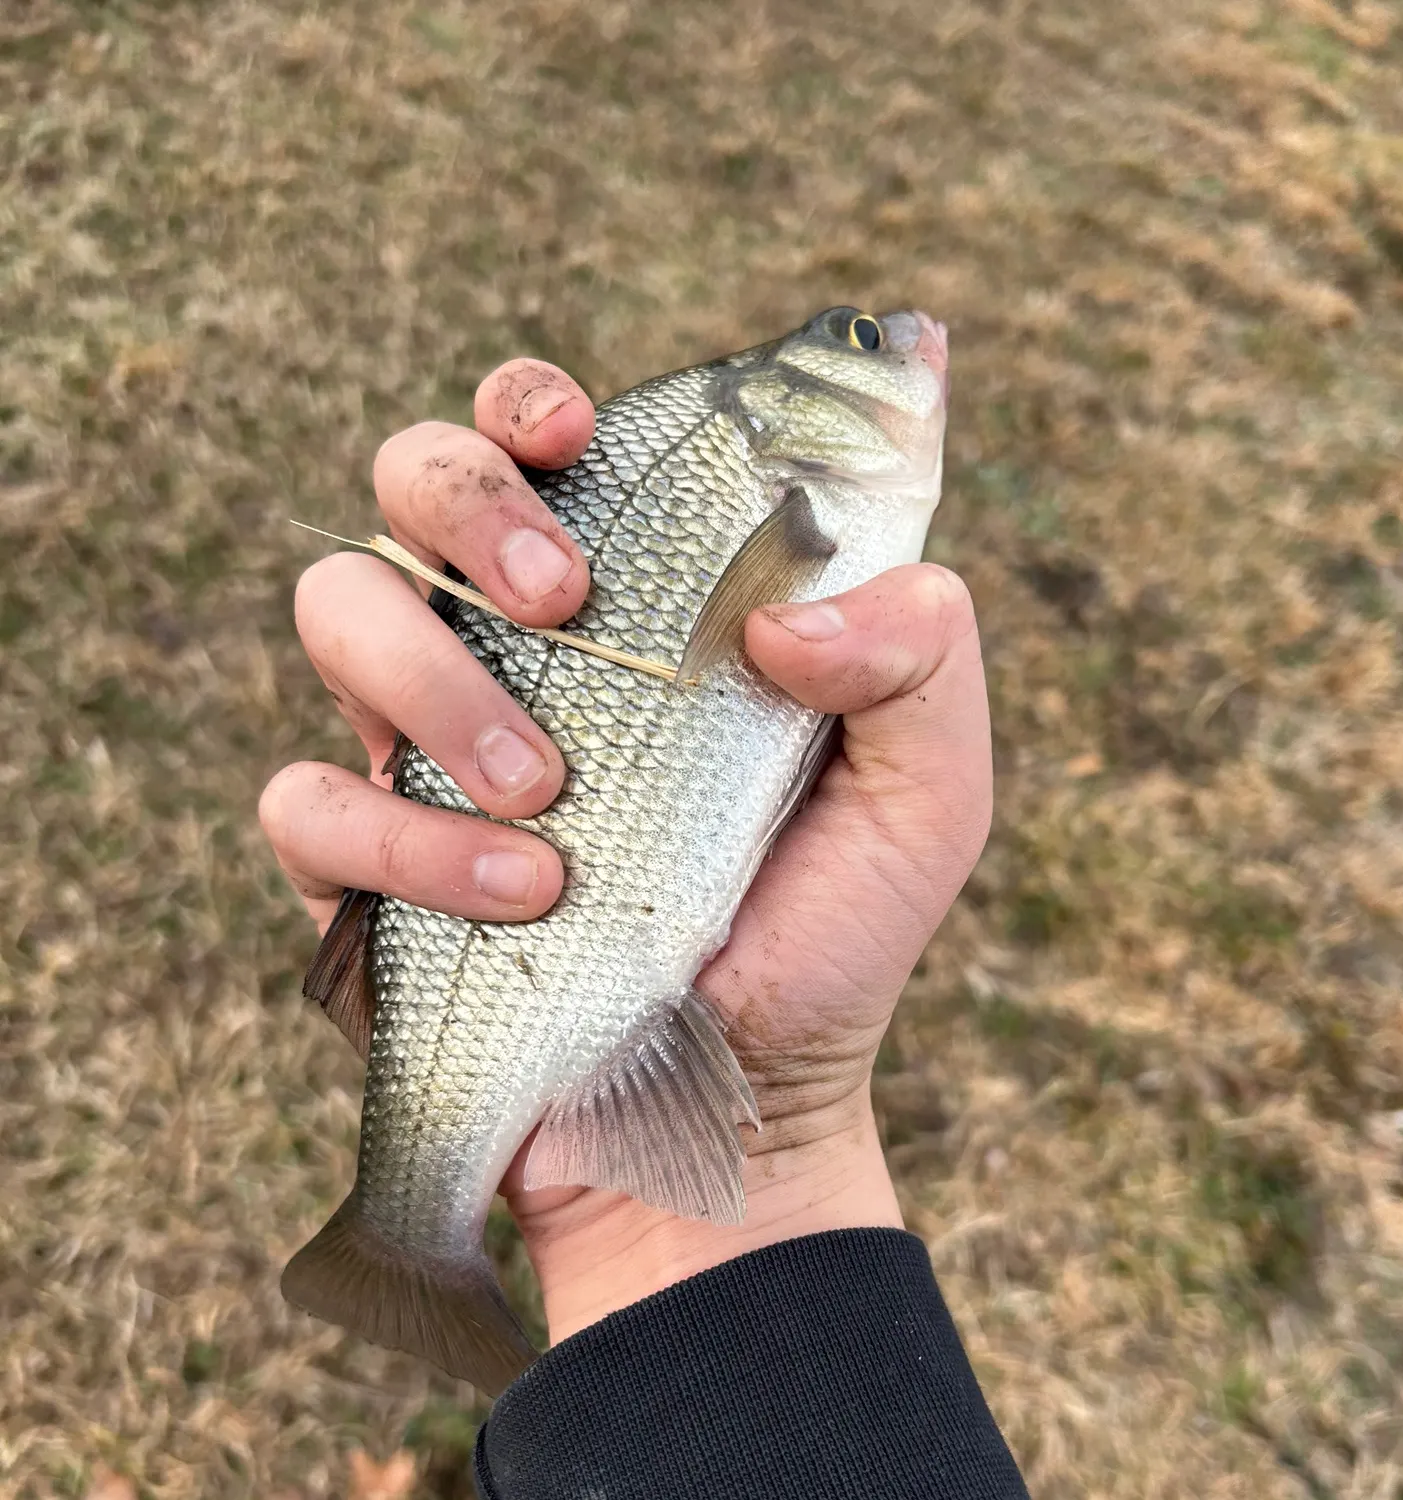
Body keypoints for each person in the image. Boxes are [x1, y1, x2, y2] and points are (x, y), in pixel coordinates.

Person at [259, 355, 1032, 1500]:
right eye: (863, 337)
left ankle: (411, 1222)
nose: (916, 346)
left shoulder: (781, 498)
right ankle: (404, 1222)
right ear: (792, 405)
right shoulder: (759, 477)